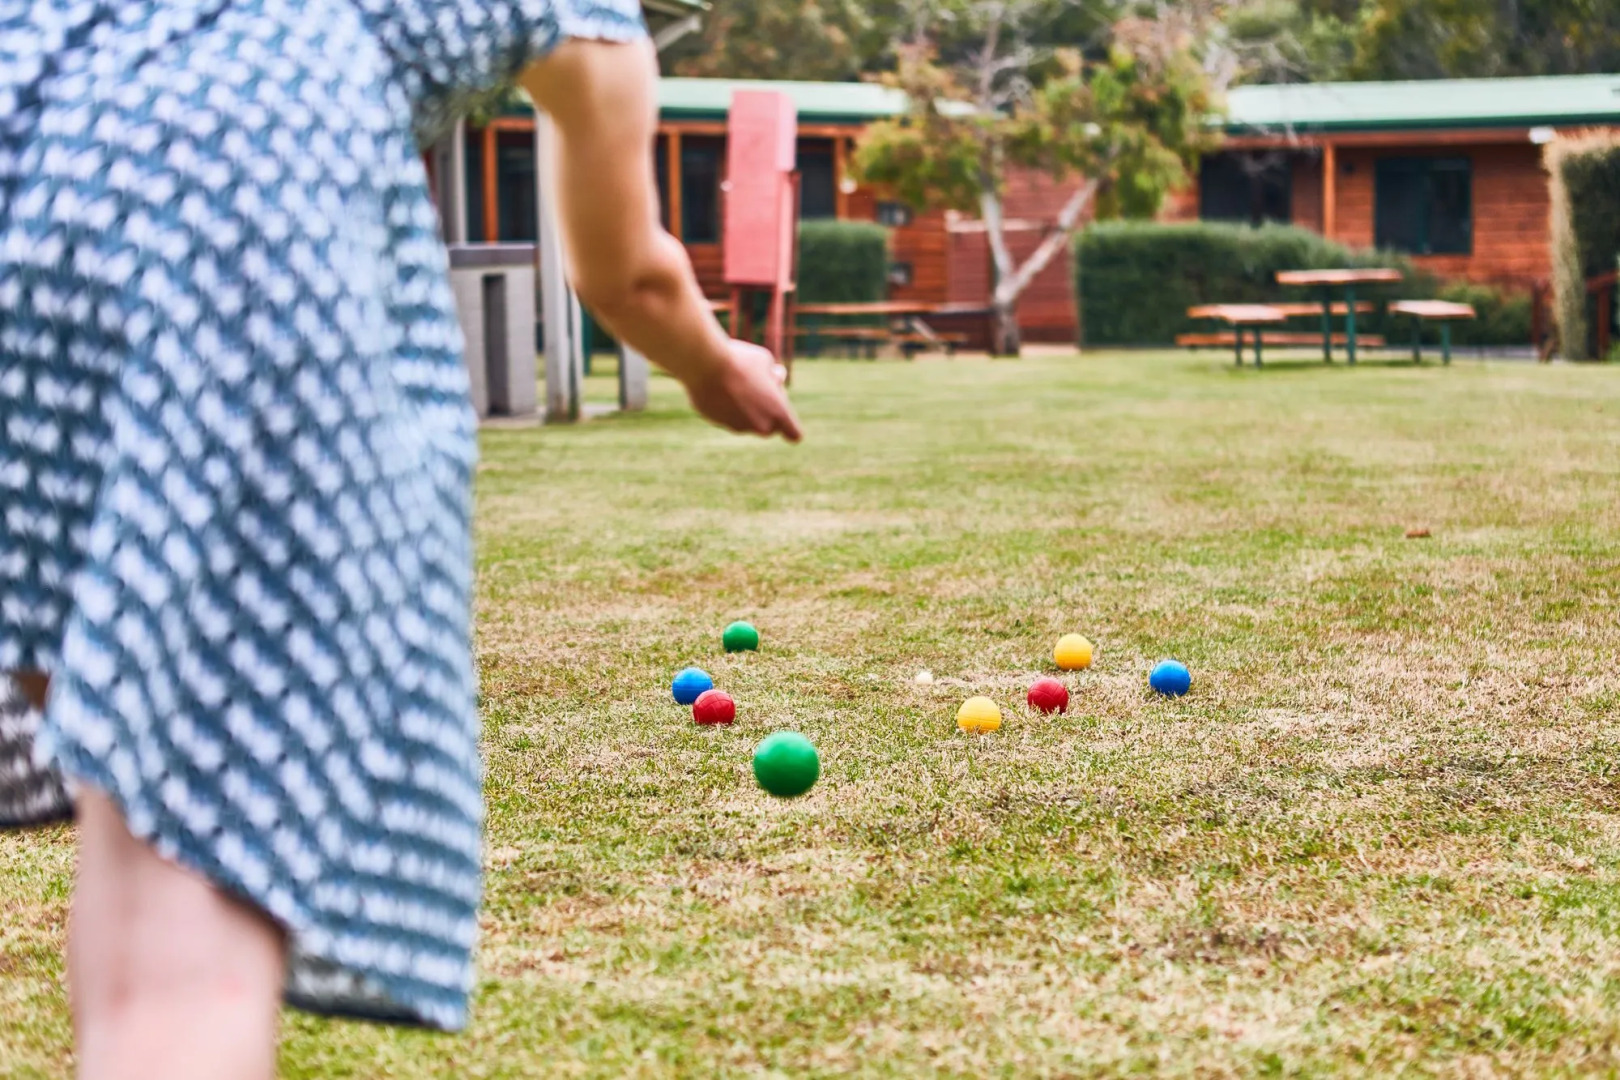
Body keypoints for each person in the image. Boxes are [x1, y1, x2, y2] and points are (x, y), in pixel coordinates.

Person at [0, 0, 800, 1075]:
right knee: (179, 880)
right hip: (229, 183)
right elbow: (628, 273)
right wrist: (711, 363)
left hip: (23, 135)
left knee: (131, 807)